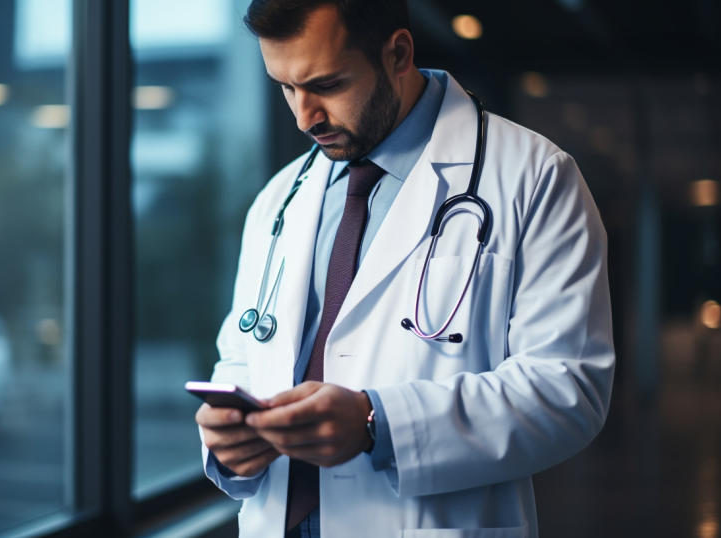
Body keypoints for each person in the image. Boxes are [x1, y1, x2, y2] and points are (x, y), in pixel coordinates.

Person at [194, 1, 615, 536]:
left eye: (326, 84)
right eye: (285, 87)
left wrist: (379, 424)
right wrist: (228, 433)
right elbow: (243, 354)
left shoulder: (534, 179)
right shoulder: (280, 198)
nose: (304, 117)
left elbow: (568, 390)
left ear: (397, 53)